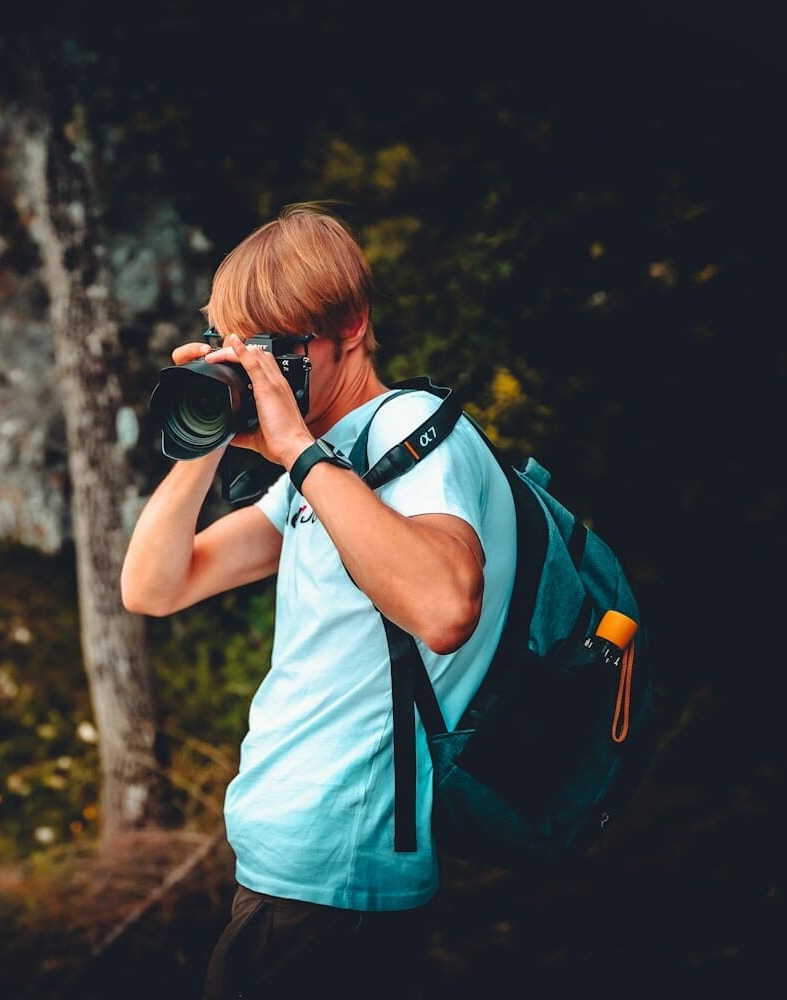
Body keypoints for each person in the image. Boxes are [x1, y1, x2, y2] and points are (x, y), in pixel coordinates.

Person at [120, 203, 517, 997]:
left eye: (273, 348)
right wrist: (211, 428)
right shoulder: (328, 469)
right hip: (293, 872)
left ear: (351, 328)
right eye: (238, 347)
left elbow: (445, 608)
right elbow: (154, 586)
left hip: (335, 874)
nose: (259, 370)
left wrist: (297, 449)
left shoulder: (407, 429)